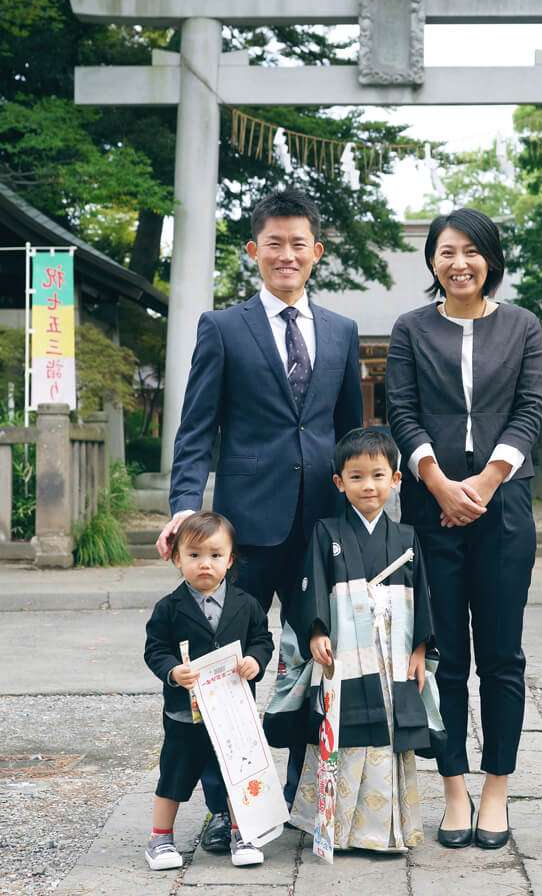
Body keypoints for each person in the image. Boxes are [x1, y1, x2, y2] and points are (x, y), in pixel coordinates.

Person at [155, 187, 363, 852]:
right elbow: (196, 432)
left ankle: (305, 800)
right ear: (254, 251)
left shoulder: (342, 331)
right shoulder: (222, 328)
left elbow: (352, 436)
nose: (286, 254)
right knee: (226, 672)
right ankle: (228, 807)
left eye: (299, 243)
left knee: (314, 664)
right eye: (274, 242)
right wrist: (188, 514)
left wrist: (365, 518)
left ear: (317, 253)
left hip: (321, 528)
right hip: (243, 530)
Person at [386, 209, 542, 850]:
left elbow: (532, 408)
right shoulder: (410, 329)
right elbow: (400, 409)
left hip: (503, 512)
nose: (459, 263)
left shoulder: (522, 327)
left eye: (472, 252)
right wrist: (439, 484)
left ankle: (496, 789)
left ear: (490, 260)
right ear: (432, 261)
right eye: (447, 251)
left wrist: (482, 485)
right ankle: (453, 788)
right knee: (444, 657)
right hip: (431, 513)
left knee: (502, 657)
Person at [264, 428, 446, 853]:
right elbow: (311, 587)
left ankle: (385, 831)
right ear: (339, 482)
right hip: (345, 650)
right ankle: (335, 827)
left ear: (396, 480)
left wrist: (421, 649)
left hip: (392, 651)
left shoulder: (406, 538)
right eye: (357, 476)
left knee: (387, 727)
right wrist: (317, 631)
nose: (369, 486)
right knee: (340, 726)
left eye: (379, 475)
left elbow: (422, 594)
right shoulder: (326, 533)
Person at [143, 511, 274, 870]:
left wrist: (255, 661)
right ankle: (160, 838)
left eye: (215, 556)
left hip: (232, 709)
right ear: (177, 558)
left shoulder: (246, 604)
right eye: (195, 555)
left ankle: (241, 831)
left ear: (230, 560)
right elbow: (155, 649)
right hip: (186, 713)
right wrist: (172, 671)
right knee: (175, 773)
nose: (205, 565)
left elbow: (263, 640)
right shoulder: (169, 608)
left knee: (236, 772)